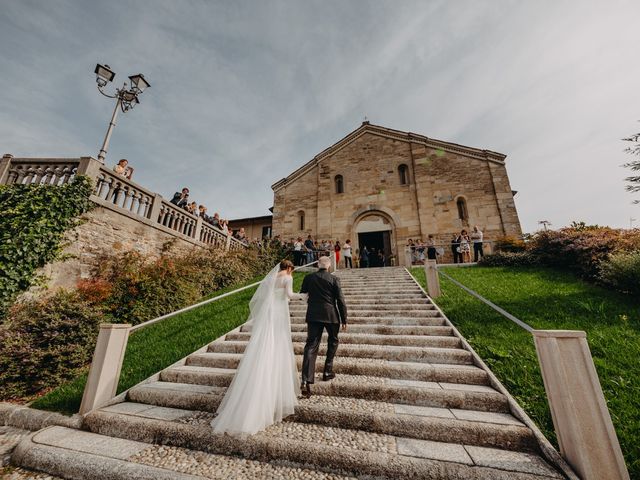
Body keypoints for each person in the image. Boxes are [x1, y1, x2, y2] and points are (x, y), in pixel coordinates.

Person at [211, 260, 307, 435]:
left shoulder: (272, 278)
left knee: (267, 343)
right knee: (279, 342)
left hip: (270, 313)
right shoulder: (287, 277)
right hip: (279, 313)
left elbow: (265, 296)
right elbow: (290, 295)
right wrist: (304, 296)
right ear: (290, 268)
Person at [300, 256, 348, 397]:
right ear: (329, 266)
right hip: (331, 315)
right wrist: (344, 318)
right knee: (333, 341)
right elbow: (340, 300)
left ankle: (306, 380)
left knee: (311, 345)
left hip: (313, 315)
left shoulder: (309, 278)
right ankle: (327, 371)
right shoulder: (334, 279)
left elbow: (303, 294)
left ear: (317, 265)